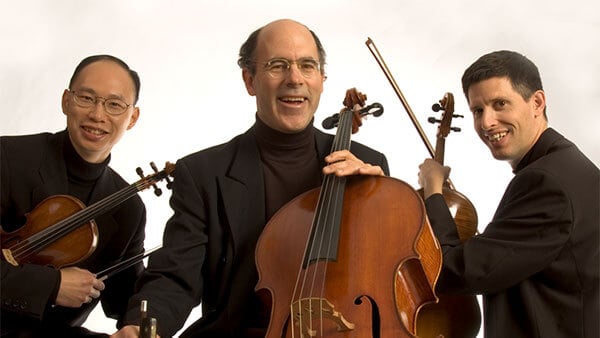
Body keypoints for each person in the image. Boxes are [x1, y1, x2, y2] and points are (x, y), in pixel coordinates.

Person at [112, 18, 388, 338]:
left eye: (307, 66)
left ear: (322, 79)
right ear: (250, 80)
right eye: (277, 65)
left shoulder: (367, 165)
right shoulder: (203, 174)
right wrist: (140, 326)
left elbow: (392, 277)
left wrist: (379, 202)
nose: (294, 78)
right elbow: (176, 276)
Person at [417, 50, 599, 337]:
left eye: (500, 104)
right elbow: (511, 259)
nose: (487, 122)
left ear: (537, 102)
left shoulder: (546, 182)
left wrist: (433, 193)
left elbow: (455, 271)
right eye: (478, 110)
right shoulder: (565, 166)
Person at [1, 55, 147, 337]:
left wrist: (135, 322)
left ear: (132, 118)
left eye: (114, 105)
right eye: (87, 98)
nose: (97, 115)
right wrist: (51, 285)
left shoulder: (128, 206)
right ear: (66, 100)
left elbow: (126, 297)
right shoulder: (7, 158)